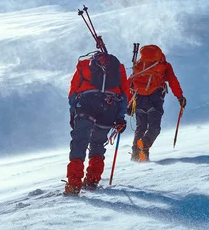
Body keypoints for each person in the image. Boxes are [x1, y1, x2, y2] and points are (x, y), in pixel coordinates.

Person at [64, 51, 131, 195]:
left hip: (86, 104)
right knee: (98, 143)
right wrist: (120, 117)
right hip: (110, 107)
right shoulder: (118, 68)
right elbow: (125, 94)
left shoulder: (83, 65)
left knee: (80, 142)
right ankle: (92, 181)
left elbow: (73, 92)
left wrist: (73, 112)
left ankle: (74, 185)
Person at [128, 45, 186, 162]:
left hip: (138, 99)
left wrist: (128, 104)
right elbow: (172, 81)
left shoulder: (139, 65)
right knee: (154, 127)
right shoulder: (163, 65)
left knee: (141, 127)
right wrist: (180, 97)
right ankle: (143, 145)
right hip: (155, 99)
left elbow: (130, 83)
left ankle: (136, 155)